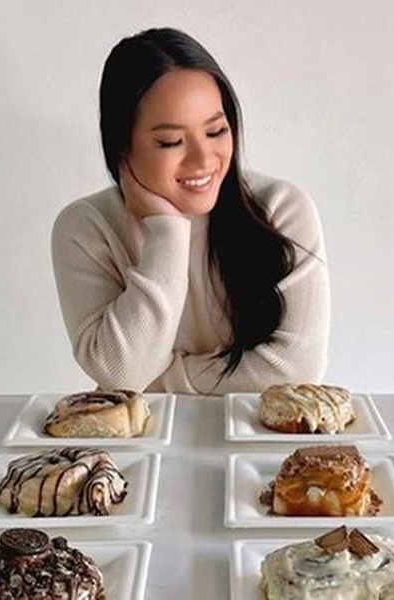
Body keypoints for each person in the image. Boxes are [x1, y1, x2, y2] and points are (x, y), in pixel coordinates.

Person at [52, 27, 330, 395]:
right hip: (144, 434)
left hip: (259, 432)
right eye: (171, 142)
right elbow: (123, 374)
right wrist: (167, 232)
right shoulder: (86, 227)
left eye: (215, 132)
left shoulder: (282, 209)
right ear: (122, 146)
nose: (203, 160)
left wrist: (161, 380)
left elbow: (297, 370)